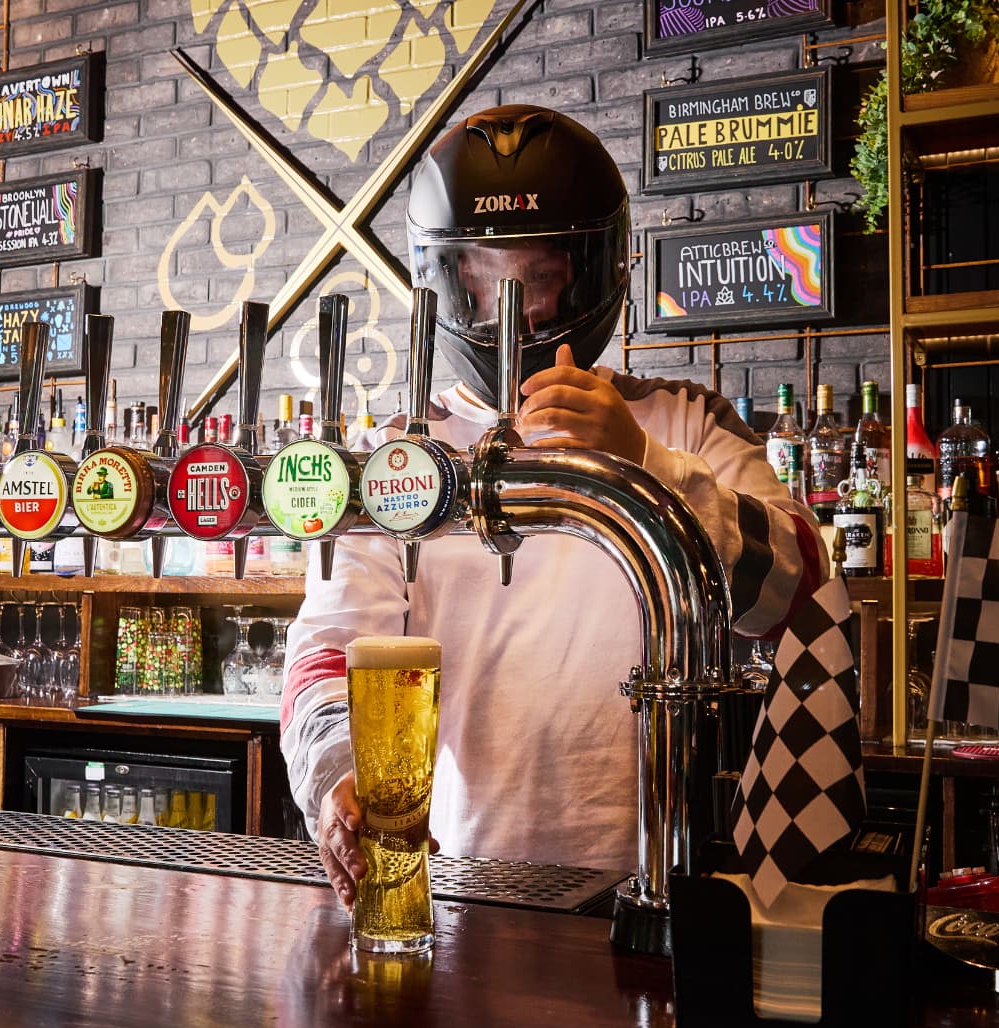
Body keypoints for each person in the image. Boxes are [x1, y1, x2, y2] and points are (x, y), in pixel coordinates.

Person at [281, 104, 827, 909]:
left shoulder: (684, 422)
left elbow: (802, 598)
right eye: (484, 279)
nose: (516, 312)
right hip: (464, 878)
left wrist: (641, 461)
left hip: (677, 878)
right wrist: (335, 780)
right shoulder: (398, 463)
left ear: (590, 273)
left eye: (538, 278)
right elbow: (327, 656)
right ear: (445, 280)